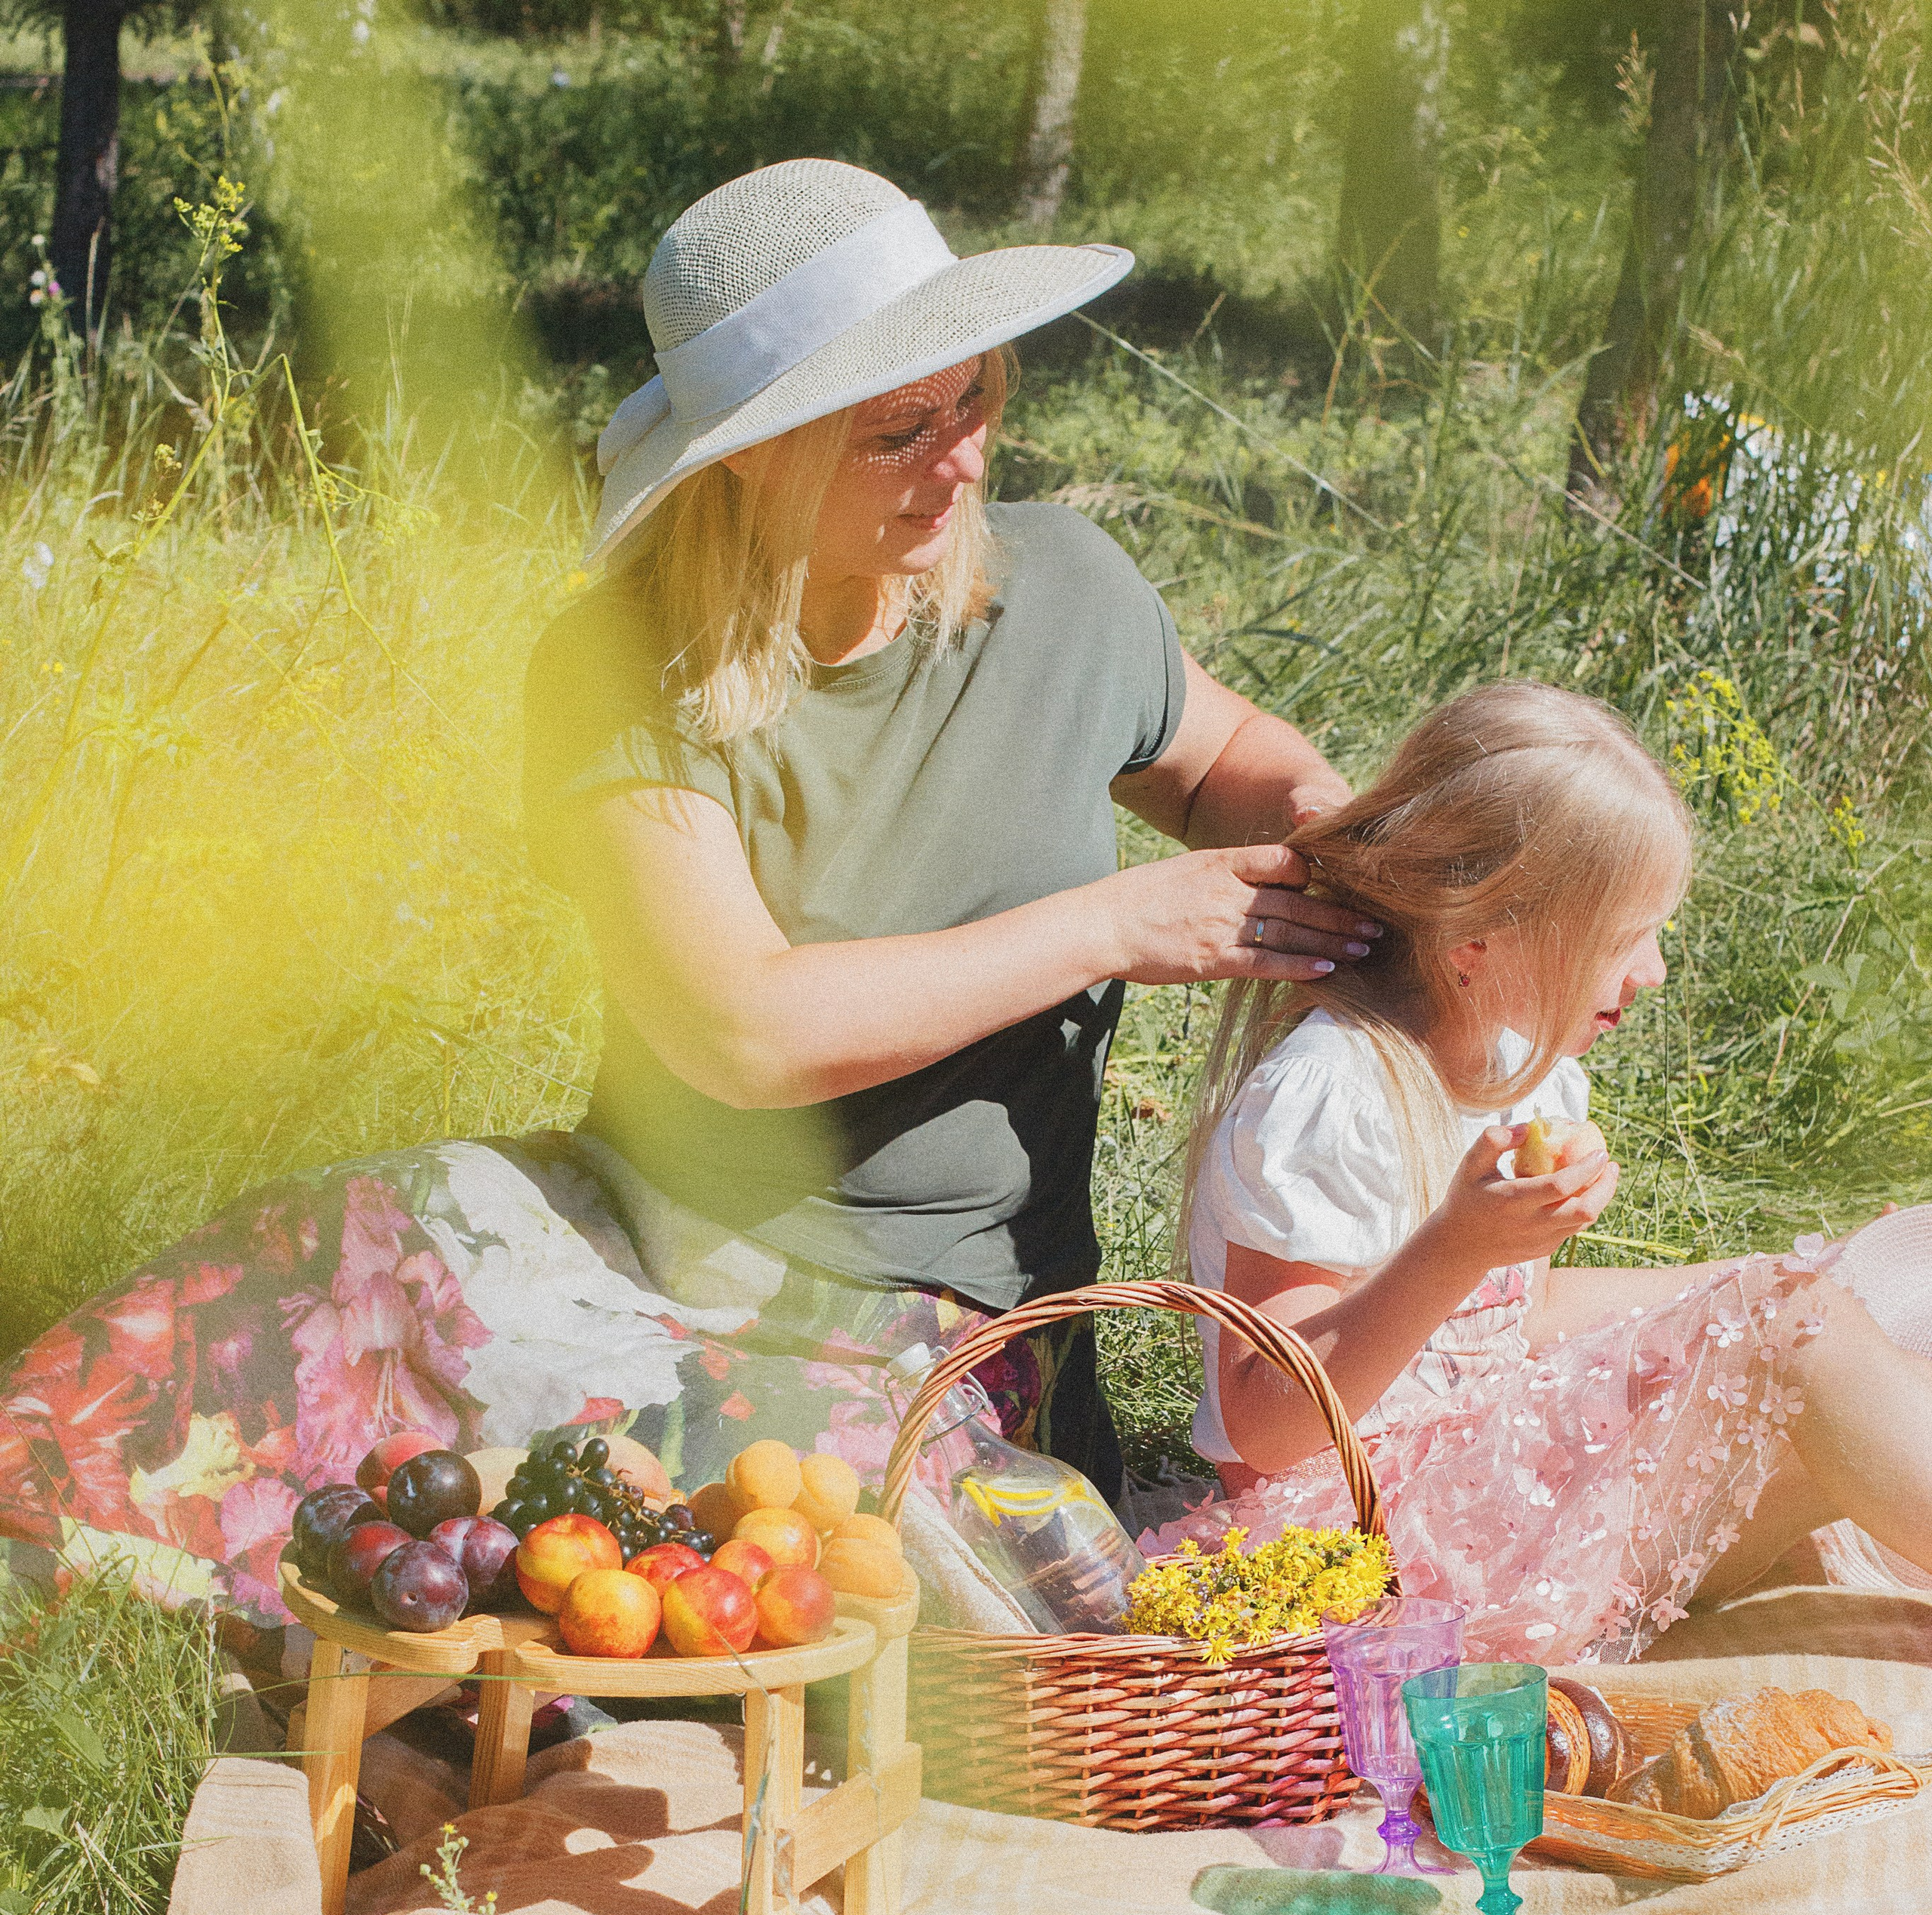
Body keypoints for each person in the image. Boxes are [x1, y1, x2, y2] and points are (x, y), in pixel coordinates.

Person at [0, 156, 1364, 1635]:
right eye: (897, 430)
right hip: (643, 1233)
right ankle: (46, 1557)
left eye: (975, 399)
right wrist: (1109, 928)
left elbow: (1231, 757)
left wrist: (1336, 839)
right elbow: (742, 1032)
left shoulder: (1068, 593)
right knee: (325, 1252)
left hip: (933, 1327)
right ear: (751, 456)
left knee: (728, 1502)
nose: (961, 460)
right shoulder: (618, 668)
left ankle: (433, 1601)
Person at [1164, 679, 1932, 1661]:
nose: (1650, 972)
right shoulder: (1333, 1092)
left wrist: (1783, 1276)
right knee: (1801, 1336)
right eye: (1622, 939)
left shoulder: (1523, 1062)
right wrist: (1456, 1245)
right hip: (1374, 1561)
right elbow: (1267, 1422)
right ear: (1480, 942)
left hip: (1488, 1495)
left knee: (1840, 1342)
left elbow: (1502, 1318)